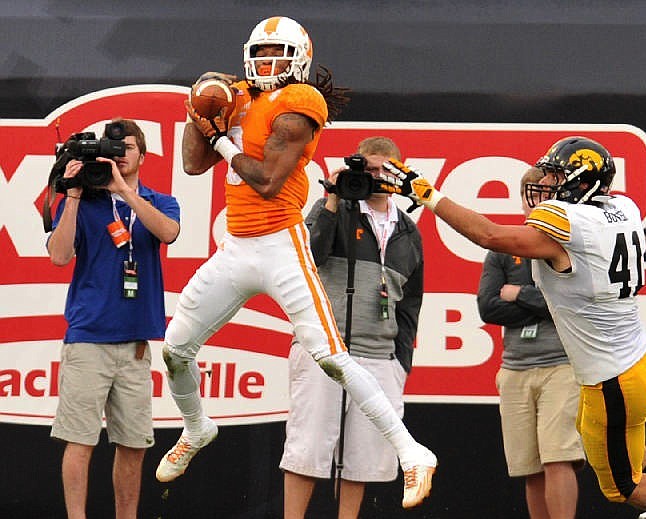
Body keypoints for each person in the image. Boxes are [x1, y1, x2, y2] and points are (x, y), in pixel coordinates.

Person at [154, 16, 437, 509]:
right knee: (175, 350)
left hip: (282, 244)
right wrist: (200, 111)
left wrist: (222, 136)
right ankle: (197, 426)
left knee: (330, 357)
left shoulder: (301, 102)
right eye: (261, 55)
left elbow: (265, 180)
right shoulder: (239, 93)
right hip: (237, 247)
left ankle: (413, 452)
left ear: (299, 59)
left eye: (277, 55)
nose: (267, 64)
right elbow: (193, 164)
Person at [383, 136, 646, 516]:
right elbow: (640, 244)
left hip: (612, 378)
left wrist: (429, 195)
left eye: (556, 177)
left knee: (626, 487)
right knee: (632, 451)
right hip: (637, 360)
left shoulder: (575, 224)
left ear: (582, 183)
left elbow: (490, 235)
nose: (547, 184)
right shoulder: (622, 206)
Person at [280, 137, 424, 518]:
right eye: (369, 169)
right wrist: (331, 196)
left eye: (383, 170)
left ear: (399, 170)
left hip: (380, 357)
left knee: (362, 458)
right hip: (325, 350)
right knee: (306, 451)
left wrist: (400, 360)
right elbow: (308, 254)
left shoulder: (408, 230)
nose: (375, 177)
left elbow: (410, 302)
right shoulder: (335, 208)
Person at [48, 119, 181, 519]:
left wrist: (123, 191)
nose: (120, 154)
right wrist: (71, 197)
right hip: (88, 337)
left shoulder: (160, 200)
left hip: (136, 342)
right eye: (113, 147)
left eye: (127, 147)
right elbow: (58, 255)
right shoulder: (84, 202)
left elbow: (169, 232)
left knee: (134, 444)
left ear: (143, 153)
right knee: (80, 439)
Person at [477, 166, 585, 519]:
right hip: (515, 367)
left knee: (558, 458)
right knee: (529, 466)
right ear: (524, 199)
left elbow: (574, 303)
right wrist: (541, 303)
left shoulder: (574, 244)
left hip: (562, 365)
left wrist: (519, 293)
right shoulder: (503, 248)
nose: (541, 200)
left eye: (550, 193)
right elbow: (488, 306)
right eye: (535, 194)